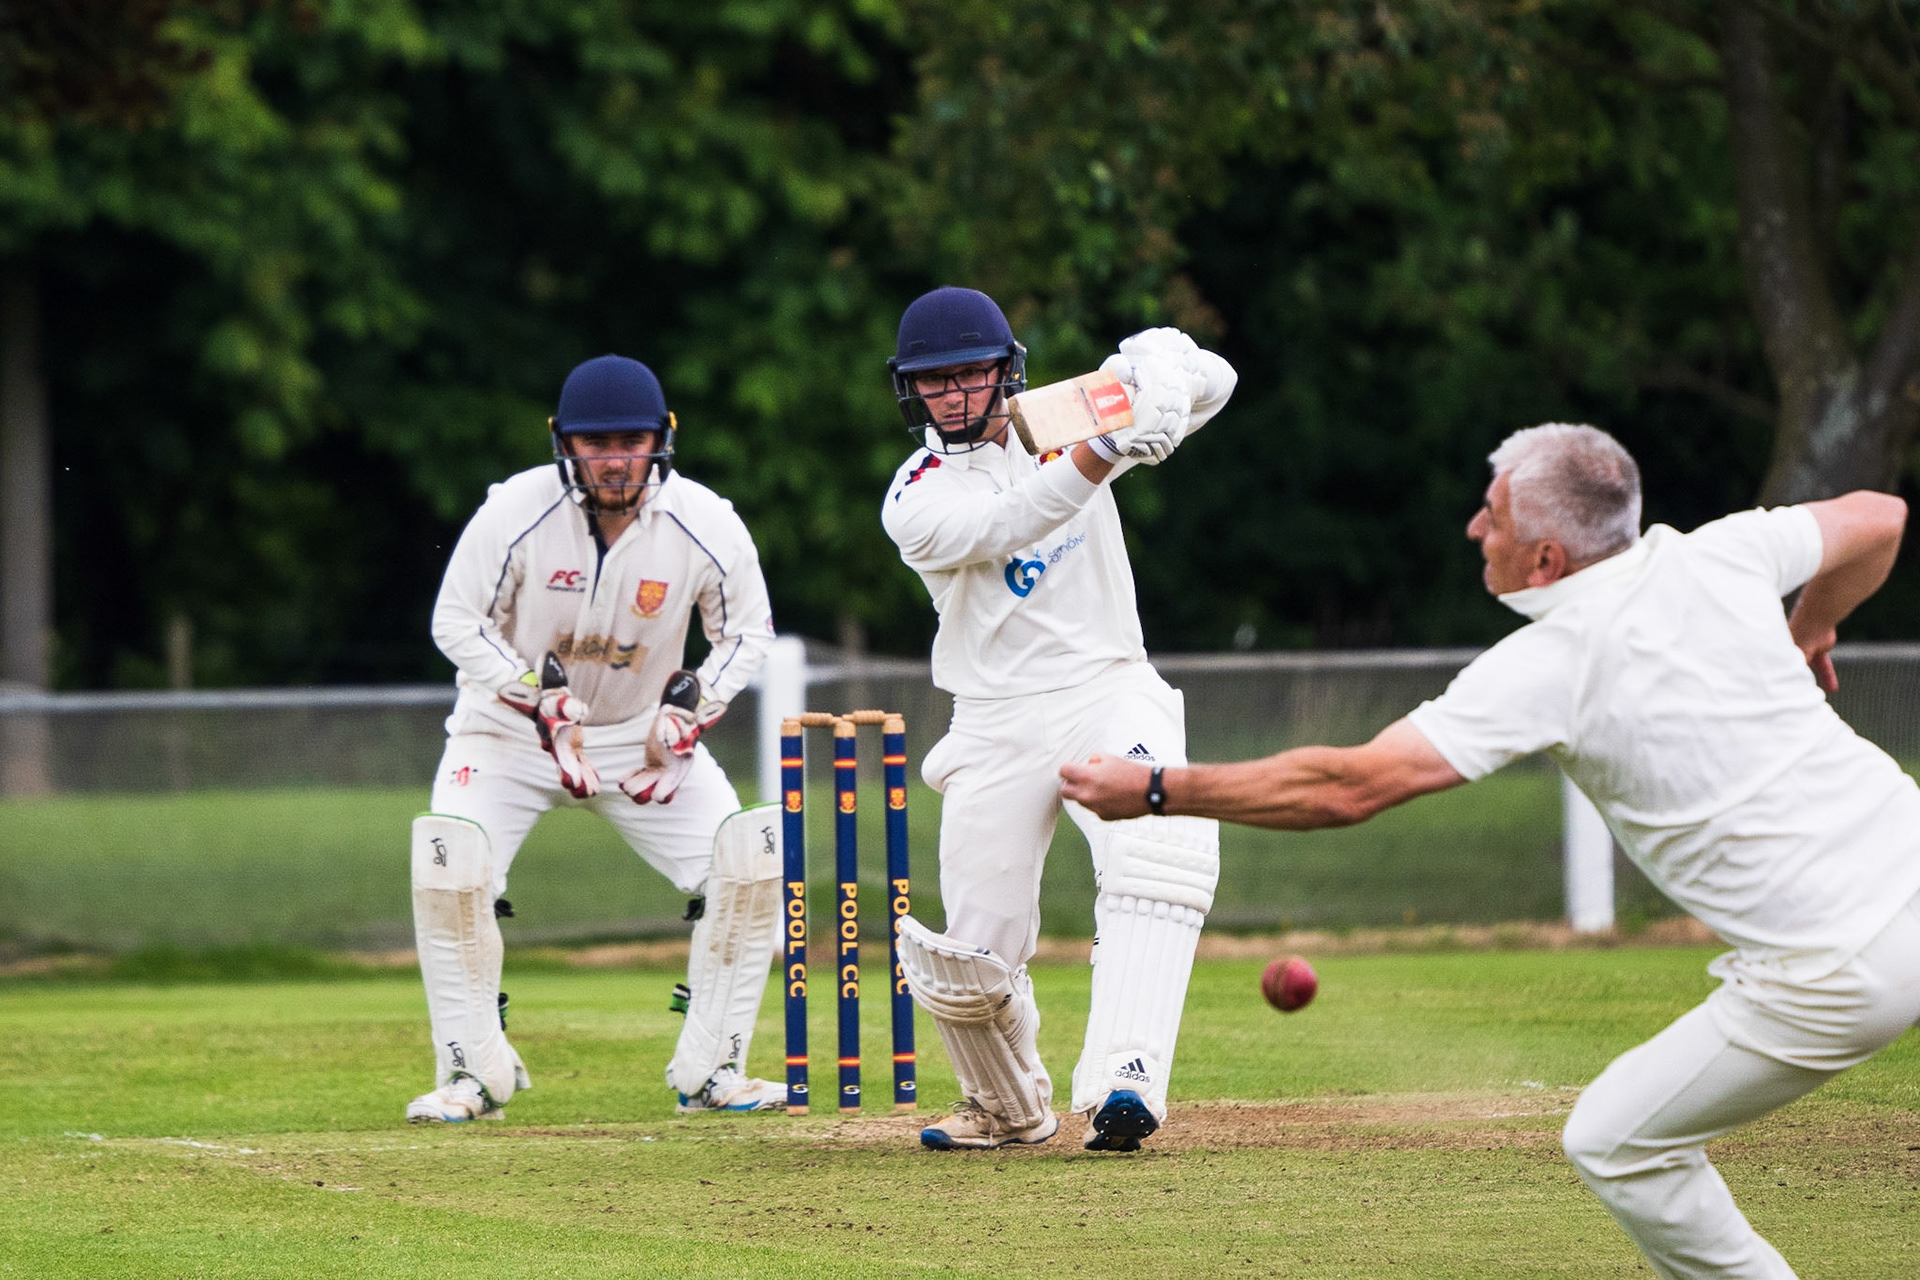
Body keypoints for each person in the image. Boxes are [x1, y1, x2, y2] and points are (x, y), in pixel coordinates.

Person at [1061, 422, 1920, 1276]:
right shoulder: (1723, 552)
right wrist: (1812, 626)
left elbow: (1348, 787)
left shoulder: (1551, 662)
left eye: (1493, 515)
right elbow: (1879, 516)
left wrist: (1155, 791)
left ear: (1546, 560)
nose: (1476, 528)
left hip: (1832, 972)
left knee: (1614, 1141)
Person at [880, 285, 1239, 1151]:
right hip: (994, 715)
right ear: (912, 391)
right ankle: (1007, 1106)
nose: (958, 395)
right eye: (938, 382)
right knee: (969, 955)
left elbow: (1219, 380)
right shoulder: (916, 496)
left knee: (1161, 850)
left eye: (973, 375)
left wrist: (1154, 377)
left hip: (1107, 685)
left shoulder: (1070, 413)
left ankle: (1127, 1081)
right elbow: (1011, 521)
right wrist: (1108, 447)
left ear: (1007, 371)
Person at [405, 354, 789, 1123]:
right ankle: (470, 1074)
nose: (614, 458)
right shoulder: (514, 510)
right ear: (564, 443)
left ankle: (712, 1071)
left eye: (630, 440)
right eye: (595, 442)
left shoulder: (705, 519)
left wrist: (691, 713)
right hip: (505, 733)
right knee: (452, 867)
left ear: (660, 439)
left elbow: (749, 632)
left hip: (638, 738)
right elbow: (455, 622)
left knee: (750, 866)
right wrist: (533, 696)